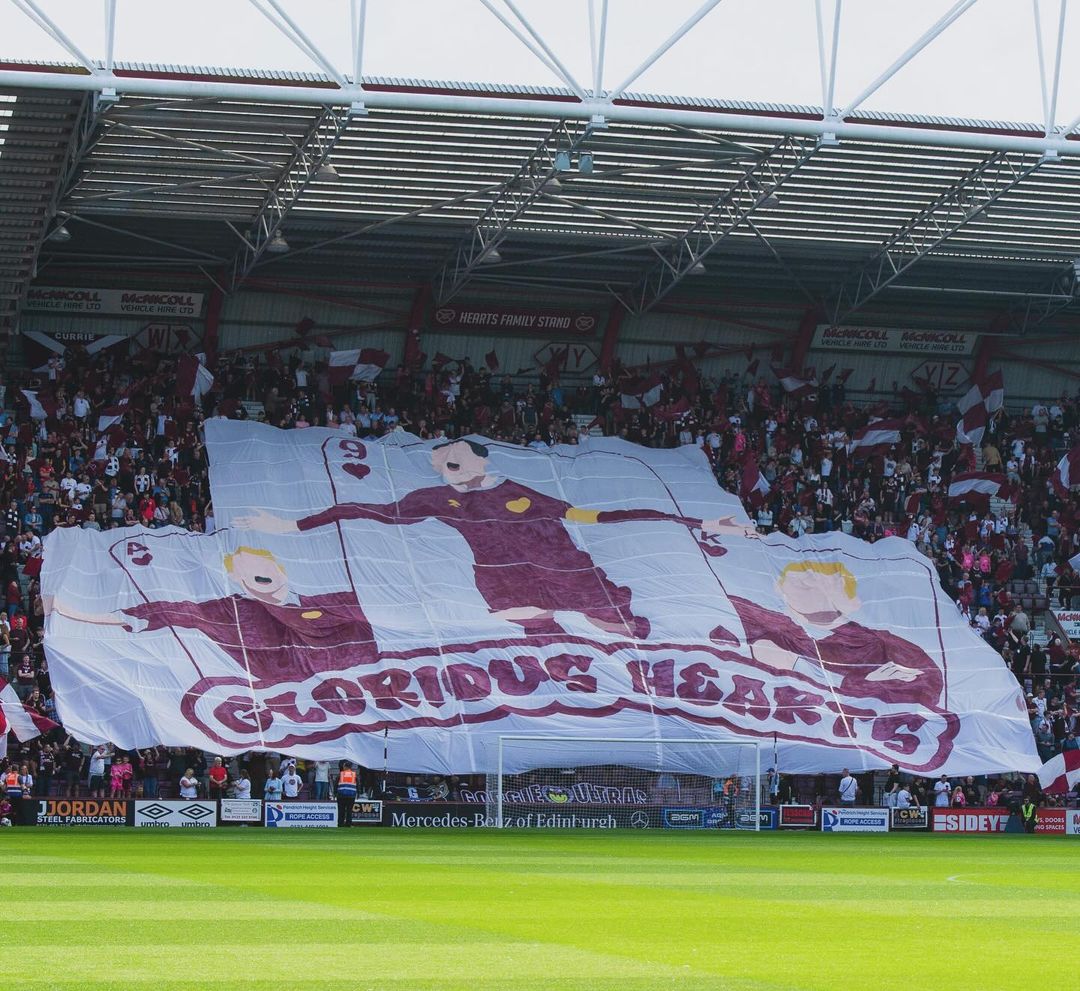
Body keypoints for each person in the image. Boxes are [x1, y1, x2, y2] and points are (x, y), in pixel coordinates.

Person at [236, 438, 748, 640]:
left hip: (566, 570)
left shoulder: (522, 493)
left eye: (454, 457)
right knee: (527, 623)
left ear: (481, 458)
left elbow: (607, 516)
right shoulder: (434, 499)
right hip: (503, 579)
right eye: (440, 462)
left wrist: (699, 524)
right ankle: (565, 669)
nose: (446, 466)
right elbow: (367, 510)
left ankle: (629, 649)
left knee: (619, 627)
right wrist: (291, 527)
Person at [48, 546, 379, 684]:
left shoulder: (334, 600)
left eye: (266, 568)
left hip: (358, 684)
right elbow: (164, 612)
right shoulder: (230, 611)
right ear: (239, 580)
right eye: (250, 573)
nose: (262, 576)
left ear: (281, 568)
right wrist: (77, 613)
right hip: (282, 691)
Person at [712, 560, 944, 708]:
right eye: (803, 582)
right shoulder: (772, 624)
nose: (809, 584)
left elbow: (927, 686)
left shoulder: (882, 642)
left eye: (814, 581)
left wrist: (862, 683)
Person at [336, 761, 357, 827]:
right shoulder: (354, 774)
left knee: (341, 811)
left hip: (341, 795)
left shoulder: (341, 774)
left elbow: (335, 784)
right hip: (351, 795)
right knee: (349, 811)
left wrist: (335, 793)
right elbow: (358, 784)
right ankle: (348, 824)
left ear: (345, 766)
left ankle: (340, 824)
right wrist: (358, 793)